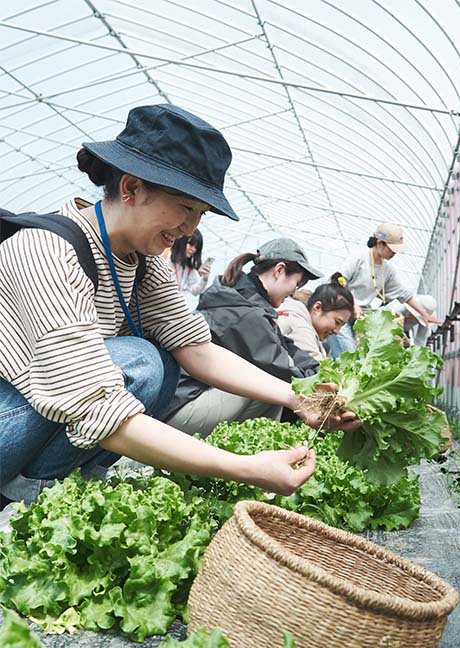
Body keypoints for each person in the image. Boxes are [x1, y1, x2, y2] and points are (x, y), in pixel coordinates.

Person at [0, 104, 356, 508]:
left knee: (164, 361)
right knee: (140, 362)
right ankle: (27, 498)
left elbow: (197, 349)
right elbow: (95, 406)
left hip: (35, 422)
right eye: (186, 208)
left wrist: (299, 397)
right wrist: (244, 466)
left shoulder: (143, 261)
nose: (191, 229)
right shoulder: (47, 250)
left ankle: (64, 487)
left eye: (200, 214)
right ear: (131, 188)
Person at [165, 238, 326, 438]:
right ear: (279, 270)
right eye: (297, 283)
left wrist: (321, 372)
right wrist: (323, 389)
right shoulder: (245, 312)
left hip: (188, 397)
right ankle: (248, 459)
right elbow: (279, 367)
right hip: (181, 408)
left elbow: (285, 347)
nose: (295, 291)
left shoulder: (247, 299)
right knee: (272, 384)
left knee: (273, 382)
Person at [277, 274, 355, 363]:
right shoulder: (299, 327)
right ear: (317, 308)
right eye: (337, 322)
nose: (337, 331)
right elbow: (317, 369)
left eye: (342, 325)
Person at [170, 228, 211, 309]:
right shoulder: (165, 258)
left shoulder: (188, 268)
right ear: (181, 241)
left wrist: (204, 279)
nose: (193, 250)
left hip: (175, 306)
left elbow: (195, 291)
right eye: (191, 244)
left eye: (196, 247)